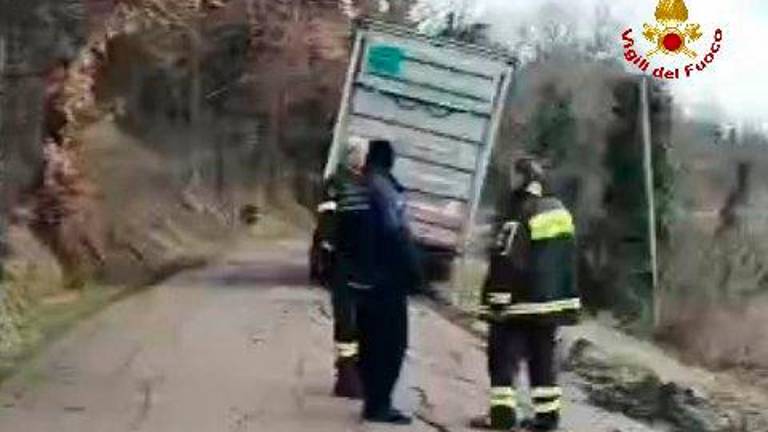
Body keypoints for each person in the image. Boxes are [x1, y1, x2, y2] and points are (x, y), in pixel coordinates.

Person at [472, 157, 581, 431]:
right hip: (551, 306)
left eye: (513, 175)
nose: (510, 180)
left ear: (523, 177)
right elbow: (566, 262)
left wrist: (496, 299)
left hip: (519, 305)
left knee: (502, 357)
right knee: (543, 360)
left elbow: (507, 258)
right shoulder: (560, 211)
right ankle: (546, 419)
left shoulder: (521, 211)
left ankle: (501, 417)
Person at [349, 139, 422, 425]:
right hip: (387, 281)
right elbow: (397, 235)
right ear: (389, 161)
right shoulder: (385, 191)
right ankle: (379, 404)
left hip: (361, 278)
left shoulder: (358, 186)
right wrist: (415, 274)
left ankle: (371, 400)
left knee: (367, 342)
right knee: (391, 345)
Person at [317, 139, 370, 399]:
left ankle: (354, 375)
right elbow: (326, 223)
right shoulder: (336, 183)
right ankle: (348, 376)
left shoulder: (366, 184)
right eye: (358, 155)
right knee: (347, 321)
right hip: (344, 261)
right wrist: (326, 256)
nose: (360, 160)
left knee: (356, 321)